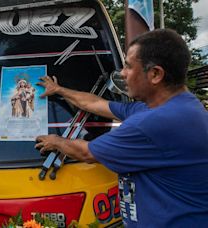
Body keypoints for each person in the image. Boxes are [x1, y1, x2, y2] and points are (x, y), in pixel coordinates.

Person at [35, 29, 208, 227]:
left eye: (128, 66)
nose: (122, 74)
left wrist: (55, 141)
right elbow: (96, 104)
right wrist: (59, 90)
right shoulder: (174, 107)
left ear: (155, 74)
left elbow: (86, 153)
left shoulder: (154, 123)